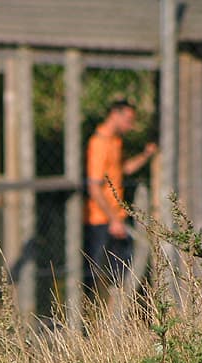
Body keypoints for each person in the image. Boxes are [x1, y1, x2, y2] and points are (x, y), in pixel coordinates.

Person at [83, 99, 158, 303]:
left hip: (116, 218)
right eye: (128, 120)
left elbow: (123, 170)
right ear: (114, 115)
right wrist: (113, 219)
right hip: (100, 220)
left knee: (120, 274)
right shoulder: (98, 143)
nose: (130, 126)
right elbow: (94, 187)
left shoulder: (115, 141)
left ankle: (114, 319)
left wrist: (146, 155)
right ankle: (92, 320)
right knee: (96, 274)